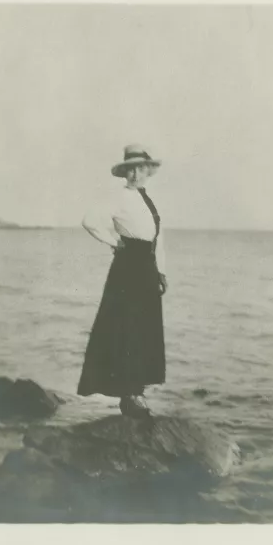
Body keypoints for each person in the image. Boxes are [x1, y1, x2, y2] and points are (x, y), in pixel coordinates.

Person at [77, 144, 167, 417]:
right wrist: (114, 241)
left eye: (140, 168)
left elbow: (156, 238)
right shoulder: (118, 197)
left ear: (148, 172)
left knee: (145, 329)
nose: (135, 173)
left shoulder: (146, 199)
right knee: (126, 328)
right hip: (128, 267)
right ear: (125, 172)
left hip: (147, 266)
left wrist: (161, 271)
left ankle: (137, 391)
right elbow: (90, 221)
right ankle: (128, 394)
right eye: (130, 169)